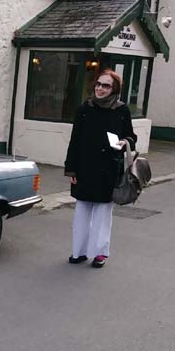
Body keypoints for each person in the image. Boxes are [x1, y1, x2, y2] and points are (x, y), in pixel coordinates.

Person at [64, 69, 137, 268]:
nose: (100, 88)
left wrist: (125, 142)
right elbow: (75, 140)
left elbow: (131, 136)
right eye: (98, 84)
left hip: (109, 168)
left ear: (114, 89)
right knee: (81, 212)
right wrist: (71, 169)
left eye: (106, 85)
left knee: (102, 214)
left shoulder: (122, 110)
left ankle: (99, 253)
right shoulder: (84, 109)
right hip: (84, 168)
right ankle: (79, 252)